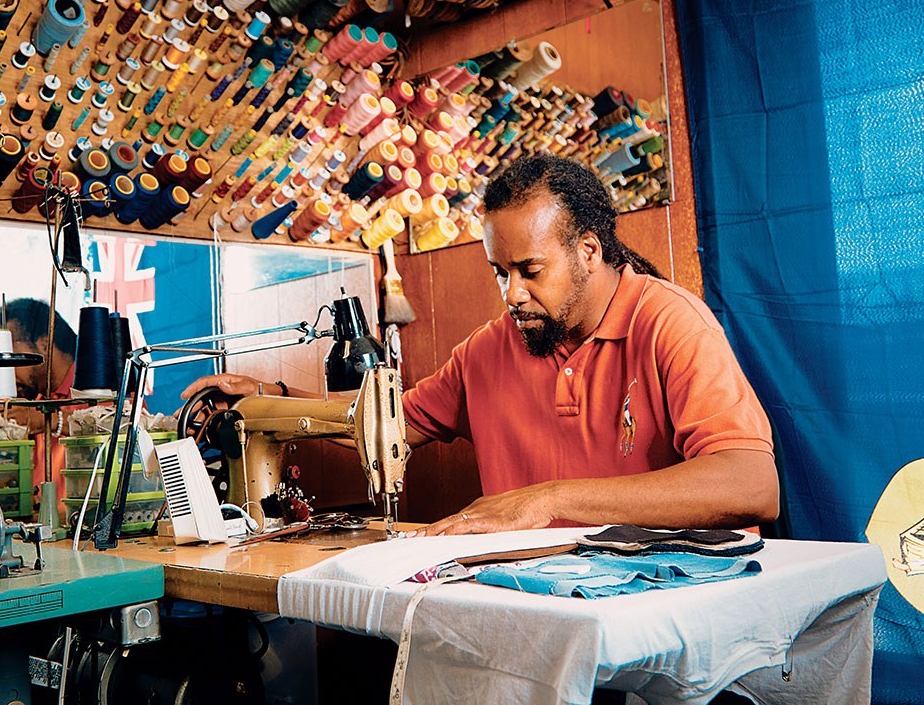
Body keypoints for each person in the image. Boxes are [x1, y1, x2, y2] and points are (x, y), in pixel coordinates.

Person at [181, 156, 779, 536]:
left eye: (529, 270)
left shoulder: (670, 325)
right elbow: (387, 426)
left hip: (666, 601)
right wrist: (269, 395)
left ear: (590, 252)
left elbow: (752, 486)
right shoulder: (490, 350)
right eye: (499, 271)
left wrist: (547, 501)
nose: (510, 294)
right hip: (552, 598)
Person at [0, 298, 78, 499]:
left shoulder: (108, 391)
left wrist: (51, 420)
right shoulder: (33, 403)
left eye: (11, 358)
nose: (6, 375)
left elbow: (124, 433)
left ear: (44, 345)